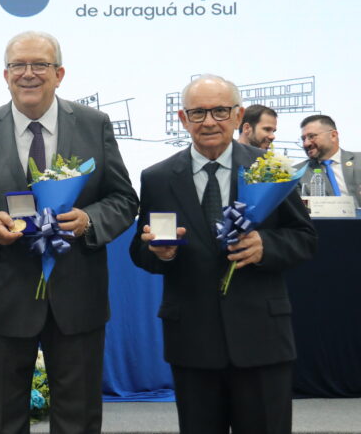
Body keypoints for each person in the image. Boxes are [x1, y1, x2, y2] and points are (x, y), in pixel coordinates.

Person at [0, 31, 138, 434]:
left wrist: (89, 221)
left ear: (59, 74)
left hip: (78, 297)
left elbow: (124, 199)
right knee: (2, 420)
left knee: (78, 419)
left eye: (40, 65)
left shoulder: (94, 125)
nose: (28, 73)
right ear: (5, 75)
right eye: (18, 65)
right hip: (4, 298)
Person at [129, 75, 317, 434]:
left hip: (262, 338)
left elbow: (305, 238)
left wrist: (266, 246)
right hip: (192, 340)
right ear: (183, 119)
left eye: (219, 111)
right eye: (198, 113)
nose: (209, 121)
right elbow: (140, 250)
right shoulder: (158, 177)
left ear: (238, 115)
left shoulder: (272, 169)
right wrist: (161, 253)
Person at [296, 114, 360, 207]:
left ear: (333, 135)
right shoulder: (297, 173)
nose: (306, 144)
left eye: (311, 136)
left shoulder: (359, 160)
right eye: (303, 139)